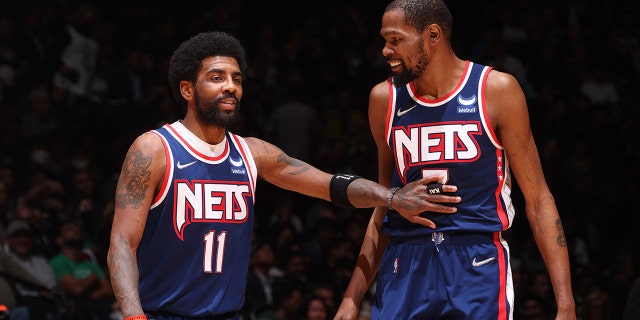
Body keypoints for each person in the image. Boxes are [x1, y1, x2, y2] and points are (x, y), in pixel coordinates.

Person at [106, 31, 459, 320]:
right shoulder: (154, 149)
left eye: (237, 79)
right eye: (217, 78)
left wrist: (392, 197)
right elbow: (122, 243)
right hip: (160, 314)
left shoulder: (252, 152)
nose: (231, 86)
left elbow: (330, 186)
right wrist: (133, 316)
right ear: (187, 90)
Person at [334, 1, 576, 319]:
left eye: (395, 39)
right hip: (406, 261)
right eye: (384, 40)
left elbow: (538, 199)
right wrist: (351, 299)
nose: (385, 50)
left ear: (432, 35)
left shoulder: (496, 90)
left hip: (476, 261)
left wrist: (566, 304)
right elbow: (385, 203)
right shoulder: (384, 99)